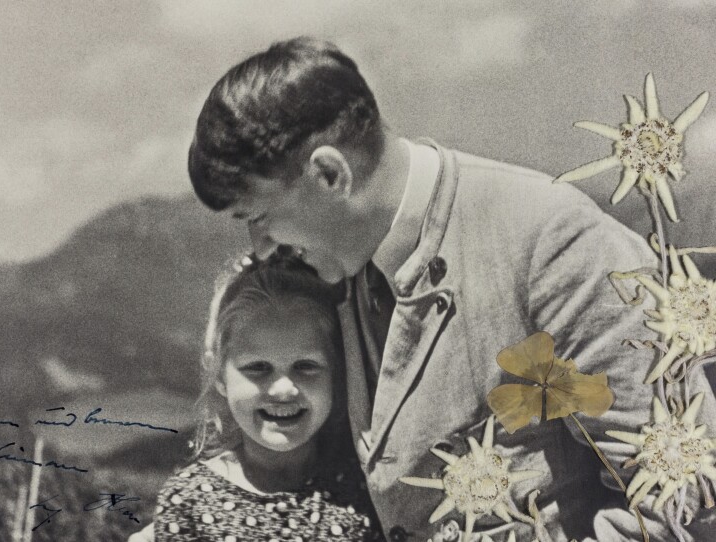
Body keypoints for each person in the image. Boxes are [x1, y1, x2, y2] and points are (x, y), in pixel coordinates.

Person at [185, 37, 716, 541]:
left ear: (329, 175)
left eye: (259, 216)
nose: (260, 246)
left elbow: (683, 496)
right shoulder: (333, 267)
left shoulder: (552, 243)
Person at [150, 251, 383, 541]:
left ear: (335, 373)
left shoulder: (366, 489)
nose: (283, 389)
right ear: (219, 375)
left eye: (305, 366)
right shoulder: (188, 502)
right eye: (258, 368)